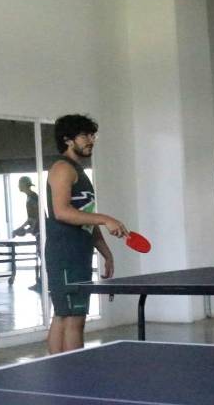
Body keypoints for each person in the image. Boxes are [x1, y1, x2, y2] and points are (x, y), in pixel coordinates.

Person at [45, 114, 128, 354]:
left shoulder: (79, 172)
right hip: (64, 254)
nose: (91, 140)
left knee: (68, 316)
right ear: (68, 140)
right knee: (71, 318)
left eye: (93, 135)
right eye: (85, 135)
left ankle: (62, 373)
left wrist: (106, 253)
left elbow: (84, 219)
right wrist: (106, 218)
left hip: (78, 255)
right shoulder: (62, 168)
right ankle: (71, 375)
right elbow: (62, 212)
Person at [12, 176, 41, 291]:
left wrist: (24, 229)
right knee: (40, 257)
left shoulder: (32, 198)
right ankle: (40, 282)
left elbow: (34, 218)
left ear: (23, 185)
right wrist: (23, 229)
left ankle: (42, 283)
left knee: (41, 257)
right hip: (38, 230)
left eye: (19, 184)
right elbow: (31, 218)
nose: (18, 186)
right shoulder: (31, 197)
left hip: (40, 231)